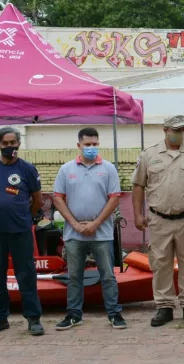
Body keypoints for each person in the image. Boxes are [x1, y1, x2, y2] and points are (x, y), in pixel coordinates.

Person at [132, 115, 184, 328]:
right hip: (159, 219)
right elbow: (138, 185)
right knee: (160, 263)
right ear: (165, 130)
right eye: (175, 130)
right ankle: (164, 306)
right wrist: (137, 214)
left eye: (182, 130)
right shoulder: (149, 155)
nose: (179, 133)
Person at [53, 127, 126, 330]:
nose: (91, 148)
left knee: (108, 276)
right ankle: (74, 315)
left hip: (101, 233)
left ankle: (114, 313)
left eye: (95, 144)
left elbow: (114, 199)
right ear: (79, 145)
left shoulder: (108, 169)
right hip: (73, 233)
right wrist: (75, 224)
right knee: (74, 276)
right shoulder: (66, 169)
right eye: (87, 144)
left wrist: (95, 224)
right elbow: (58, 199)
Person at [0, 127, 44, 337]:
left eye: (13, 143)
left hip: (21, 230)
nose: (9, 146)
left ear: (18, 144)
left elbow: (38, 199)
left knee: (26, 275)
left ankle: (33, 318)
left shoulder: (27, 168)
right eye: (5, 143)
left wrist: (26, 218)